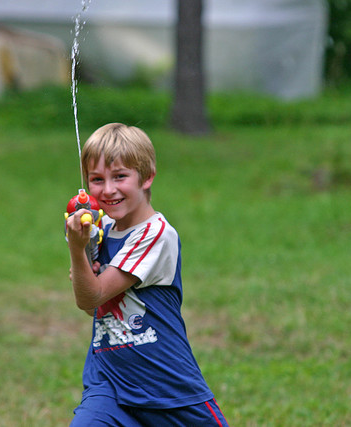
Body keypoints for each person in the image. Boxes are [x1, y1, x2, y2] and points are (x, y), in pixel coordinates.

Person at [65, 123, 229, 426]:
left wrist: (77, 251)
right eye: (96, 180)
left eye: (120, 176)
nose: (108, 189)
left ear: (147, 176)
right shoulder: (100, 233)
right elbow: (89, 305)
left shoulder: (156, 234)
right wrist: (85, 254)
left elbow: (96, 293)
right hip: (109, 385)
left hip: (166, 386)